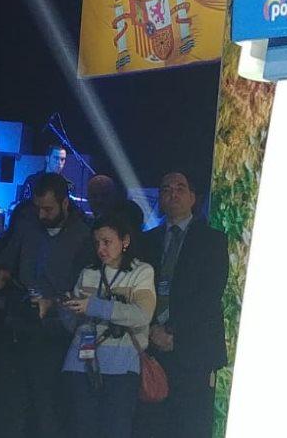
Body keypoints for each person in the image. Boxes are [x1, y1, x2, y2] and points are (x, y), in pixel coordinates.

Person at [0, 171, 93, 438]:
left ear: (65, 204)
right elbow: (6, 261)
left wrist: (55, 302)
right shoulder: (27, 226)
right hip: (19, 327)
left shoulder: (84, 237)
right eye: (38, 208)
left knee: (48, 409)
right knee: (11, 409)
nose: (42, 215)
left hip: (55, 333)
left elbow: (85, 290)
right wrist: (2, 273)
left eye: (48, 209)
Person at [134, 172, 228, 438]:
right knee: (152, 424)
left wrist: (173, 331)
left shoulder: (213, 240)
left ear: (193, 197)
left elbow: (210, 295)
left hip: (192, 347)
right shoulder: (147, 240)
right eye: (166, 189)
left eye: (180, 188)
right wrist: (152, 328)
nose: (172, 194)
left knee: (190, 424)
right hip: (152, 346)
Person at [60, 214, 155, 435]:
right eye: (96, 243)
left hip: (121, 364)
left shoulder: (141, 272)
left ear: (125, 241)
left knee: (115, 427)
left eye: (107, 242)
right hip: (82, 361)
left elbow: (142, 315)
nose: (101, 248)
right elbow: (72, 323)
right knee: (82, 427)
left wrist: (94, 306)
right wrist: (65, 307)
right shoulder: (88, 273)